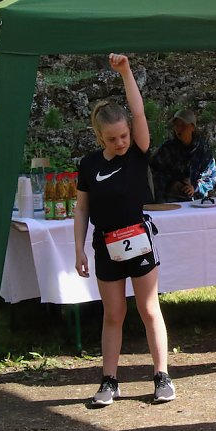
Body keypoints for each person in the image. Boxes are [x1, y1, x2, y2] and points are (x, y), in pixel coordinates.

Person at [74, 53, 175, 407]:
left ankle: (161, 375)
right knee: (113, 314)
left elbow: (139, 112)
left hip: (139, 240)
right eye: (113, 138)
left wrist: (126, 72)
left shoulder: (137, 153)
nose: (121, 143)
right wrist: (79, 249)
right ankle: (109, 380)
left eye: (125, 136)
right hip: (106, 246)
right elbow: (82, 208)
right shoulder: (88, 165)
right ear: (100, 136)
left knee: (149, 309)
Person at [149, 108, 216, 202]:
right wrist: (171, 183)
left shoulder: (203, 150)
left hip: (197, 202)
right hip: (169, 200)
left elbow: (210, 178)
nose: (178, 129)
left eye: (183, 125)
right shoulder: (167, 149)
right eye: (176, 125)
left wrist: (195, 187)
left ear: (192, 127)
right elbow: (152, 171)